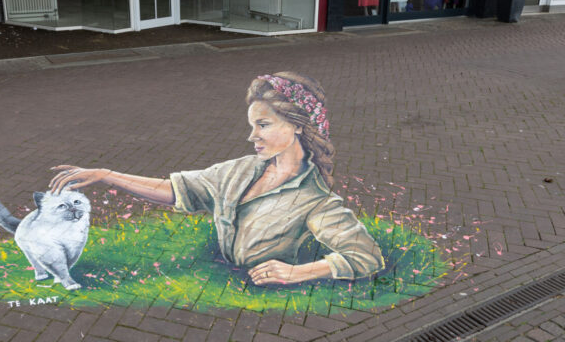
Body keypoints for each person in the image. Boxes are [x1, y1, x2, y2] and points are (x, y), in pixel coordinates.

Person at [49, 73, 385, 285]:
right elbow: (177, 189)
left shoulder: (316, 200)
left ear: (297, 125)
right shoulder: (240, 169)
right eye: (252, 125)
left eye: (263, 125)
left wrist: (298, 272)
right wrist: (108, 175)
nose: (252, 136)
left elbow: (367, 256)